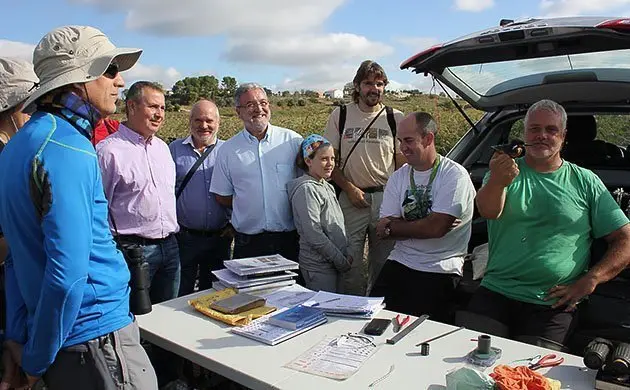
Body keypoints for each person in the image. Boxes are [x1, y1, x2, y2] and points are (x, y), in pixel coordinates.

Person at [0, 25, 157, 389]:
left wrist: (19, 338)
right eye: (111, 69)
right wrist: (35, 363)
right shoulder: (67, 148)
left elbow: (16, 259)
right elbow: (69, 274)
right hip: (95, 338)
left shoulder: (20, 146)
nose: (120, 82)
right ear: (79, 78)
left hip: (60, 337)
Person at [469, 99, 630, 345]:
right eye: (534, 129)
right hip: (496, 291)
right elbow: (488, 211)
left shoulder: (586, 181)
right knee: (471, 366)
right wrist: (498, 181)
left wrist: (592, 279)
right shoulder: (504, 170)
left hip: (553, 303)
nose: (542, 135)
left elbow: (625, 239)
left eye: (551, 130)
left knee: (535, 376)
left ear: (563, 136)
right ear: (524, 134)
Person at [371, 112, 476, 323]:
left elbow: (435, 229)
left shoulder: (454, 175)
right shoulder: (399, 176)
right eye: (400, 141)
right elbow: (382, 230)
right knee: (372, 319)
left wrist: (396, 226)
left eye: (409, 140)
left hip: (440, 268)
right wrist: (427, 224)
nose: (402, 148)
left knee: (419, 332)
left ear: (428, 139)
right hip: (400, 261)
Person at [324, 60, 405, 295]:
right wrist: (349, 189)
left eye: (379, 84)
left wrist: (396, 201)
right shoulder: (341, 115)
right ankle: (349, 312)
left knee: (384, 264)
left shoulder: (394, 117)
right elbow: (329, 162)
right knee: (350, 263)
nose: (375, 89)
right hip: (351, 199)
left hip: (385, 200)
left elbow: (401, 164)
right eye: (369, 83)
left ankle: (379, 313)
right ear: (357, 86)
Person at [97, 81, 180, 304]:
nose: (159, 114)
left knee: (167, 314)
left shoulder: (162, 148)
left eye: (162, 108)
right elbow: (97, 210)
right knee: (133, 317)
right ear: (131, 106)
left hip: (170, 247)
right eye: (153, 107)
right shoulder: (108, 151)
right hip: (132, 251)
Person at [210, 83, 303, 264]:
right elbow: (222, 196)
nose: (259, 109)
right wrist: (249, 203)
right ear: (238, 112)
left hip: (289, 240)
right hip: (248, 244)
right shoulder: (228, 150)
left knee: (292, 292)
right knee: (251, 293)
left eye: (263, 103)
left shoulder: (292, 141)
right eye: (250, 105)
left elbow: (305, 184)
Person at [170, 99, 231, 296]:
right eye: (198, 120)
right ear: (190, 121)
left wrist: (234, 224)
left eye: (209, 120)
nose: (203, 126)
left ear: (218, 123)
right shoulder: (174, 150)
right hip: (184, 238)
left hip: (219, 238)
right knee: (180, 292)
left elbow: (240, 190)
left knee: (215, 294)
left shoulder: (228, 151)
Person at [288, 134, 352, 292]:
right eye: (324, 159)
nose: (330, 164)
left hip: (335, 262)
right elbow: (313, 233)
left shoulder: (326, 186)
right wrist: (340, 261)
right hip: (319, 266)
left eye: (332, 159)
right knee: (324, 310)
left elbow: (338, 223)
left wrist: (347, 251)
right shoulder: (306, 189)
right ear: (308, 161)